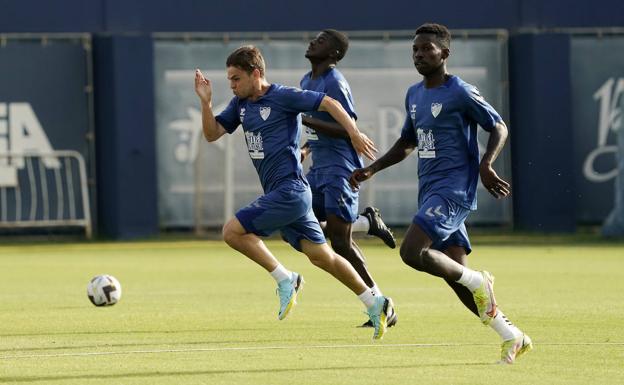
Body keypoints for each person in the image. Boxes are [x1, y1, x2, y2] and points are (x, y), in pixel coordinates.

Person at [349, 23, 532, 363]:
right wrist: (372, 168)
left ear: (444, 54)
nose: (419, 55)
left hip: (454, 189)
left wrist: (485, 164)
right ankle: (513, 336)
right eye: (415, 50)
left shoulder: (460, 91)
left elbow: (498, 126)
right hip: (431, 189)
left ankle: (480, 280)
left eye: (426, 49)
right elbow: (407, 142)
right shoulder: (414, 94)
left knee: (411, 252)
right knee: (456, 278)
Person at [194, 45, 394, 340]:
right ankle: (375, 301)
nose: (232, 85)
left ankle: (285, 278)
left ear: (256, 74)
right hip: (289, 194)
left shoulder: (283, 96)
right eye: (229, 80)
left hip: (290, 191)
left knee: (232, 232)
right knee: (323, 257)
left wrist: (353, 133)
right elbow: (212, 134)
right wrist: (206, 104)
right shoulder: (240, 105)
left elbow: (328, 102)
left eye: (236, 79)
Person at [299, 29, 397, 328]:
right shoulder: (307, 80)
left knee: (340, 243)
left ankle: (381, 305)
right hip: (317, 169)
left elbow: (349, 128)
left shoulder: (334, 82)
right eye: (315, 38)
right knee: (297, 223)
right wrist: (305, 147)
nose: (314, 41)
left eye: (322, 40)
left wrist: (301, 119)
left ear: (334, 54)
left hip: (340, 168)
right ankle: (367, 222)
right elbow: (319, 126)